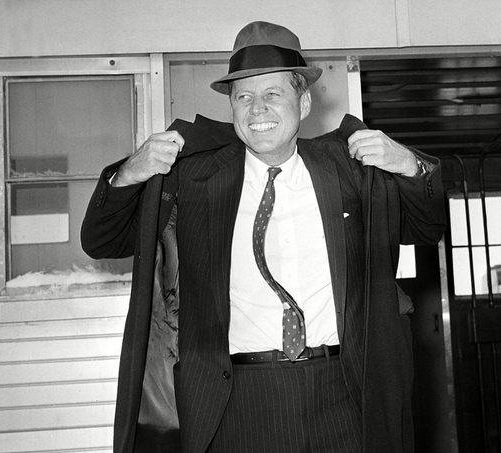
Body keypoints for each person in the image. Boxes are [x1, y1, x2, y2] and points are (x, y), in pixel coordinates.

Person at [81, 21, 445, 453]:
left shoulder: (350, 171)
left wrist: (411, 165)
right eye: (244, 97)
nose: (258, 110)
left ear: (304, 101)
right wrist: (127, 173)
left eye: (273, 94)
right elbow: (103, 241)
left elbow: (426, 227)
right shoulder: (193, 179)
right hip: (236, 403)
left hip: (347, 395)